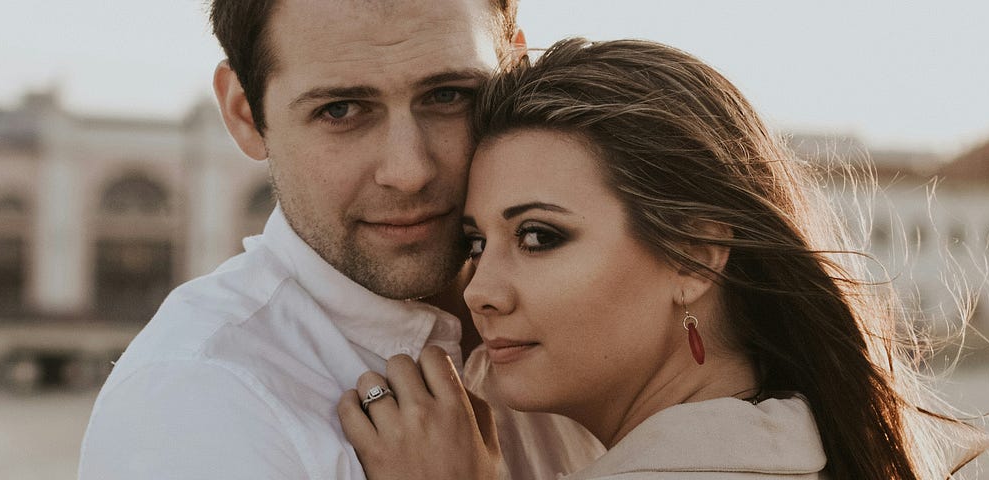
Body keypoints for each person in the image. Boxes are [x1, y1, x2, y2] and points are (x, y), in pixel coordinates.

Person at [339, 38, 989, 480]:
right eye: (477, 242)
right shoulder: (796, 449)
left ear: (695, 257)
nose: (481, 290)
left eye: (540, 237)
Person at [77, 1, 602, 478]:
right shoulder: (196, 401)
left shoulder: (602, 324)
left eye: (449, 96)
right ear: (245, 112)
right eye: (341, 110)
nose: (409, 171)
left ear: (515, 75)